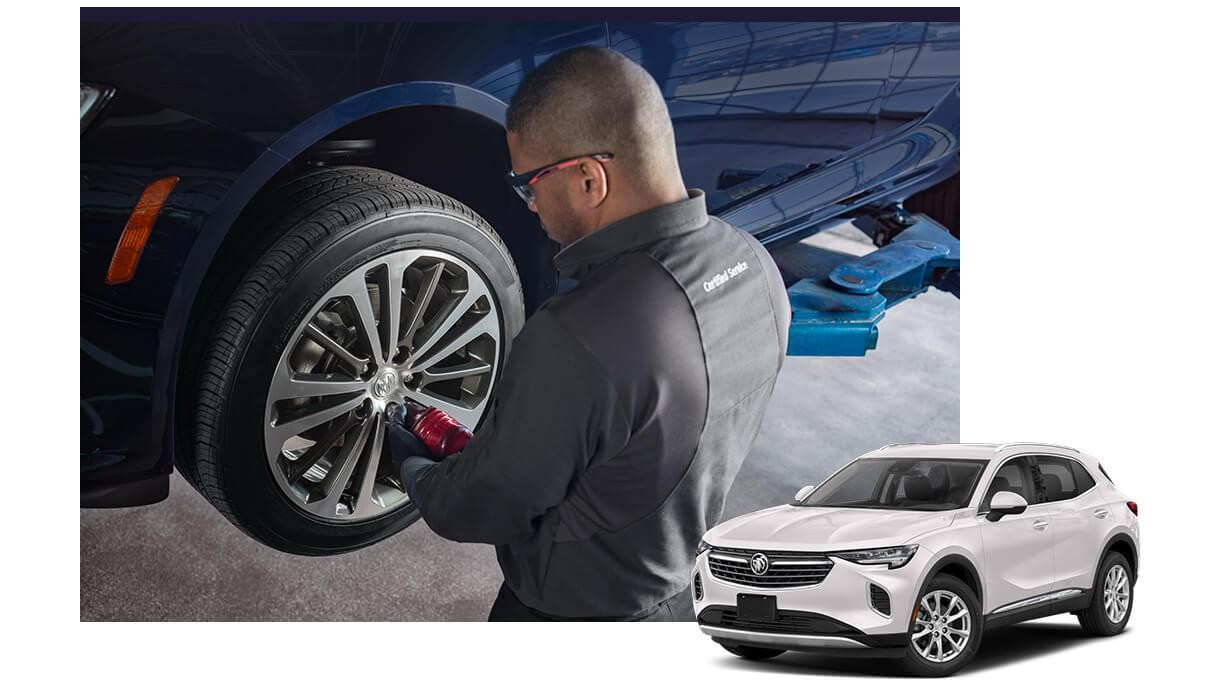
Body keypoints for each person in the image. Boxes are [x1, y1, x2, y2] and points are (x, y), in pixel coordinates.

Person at [389, 46, 791, 621]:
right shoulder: (757, 266)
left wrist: (418, 474)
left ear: (587, 179)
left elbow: (489, 505)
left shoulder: (578, 337)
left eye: (527, 184)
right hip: (677, 599)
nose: (528, 205)